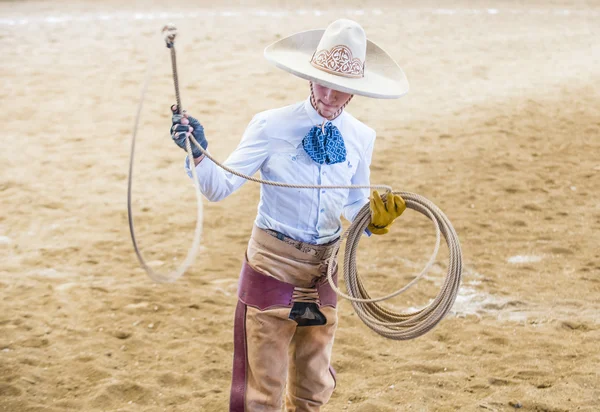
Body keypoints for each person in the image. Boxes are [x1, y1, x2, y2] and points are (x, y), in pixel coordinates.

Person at [170, 19, 409, 412]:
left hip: (325, 270)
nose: (330, 95)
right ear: (308, 77)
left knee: (314, 385)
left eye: (342, 86)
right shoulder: (270, 125)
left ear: (357, 90)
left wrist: (371, 217)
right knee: (263, 388)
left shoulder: (362, 137)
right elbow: (218, 187)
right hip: (272, 263)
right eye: (322, 82)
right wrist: (197, 152)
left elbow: (351, 203)